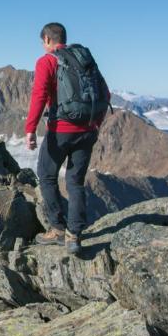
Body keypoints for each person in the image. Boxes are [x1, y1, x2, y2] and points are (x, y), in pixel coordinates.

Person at [25, 23, 109, 253]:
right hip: (88, 129)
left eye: (42, 42)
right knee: (75, 181)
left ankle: (57, 230)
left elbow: (40, 94)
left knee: (46, 176)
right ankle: (74, 236)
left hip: (61, 130)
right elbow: (106, 92)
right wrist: (95, 124)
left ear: (47, 39)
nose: (43, 46)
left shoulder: (47, 61)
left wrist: (30, 129)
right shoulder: (84, 59)